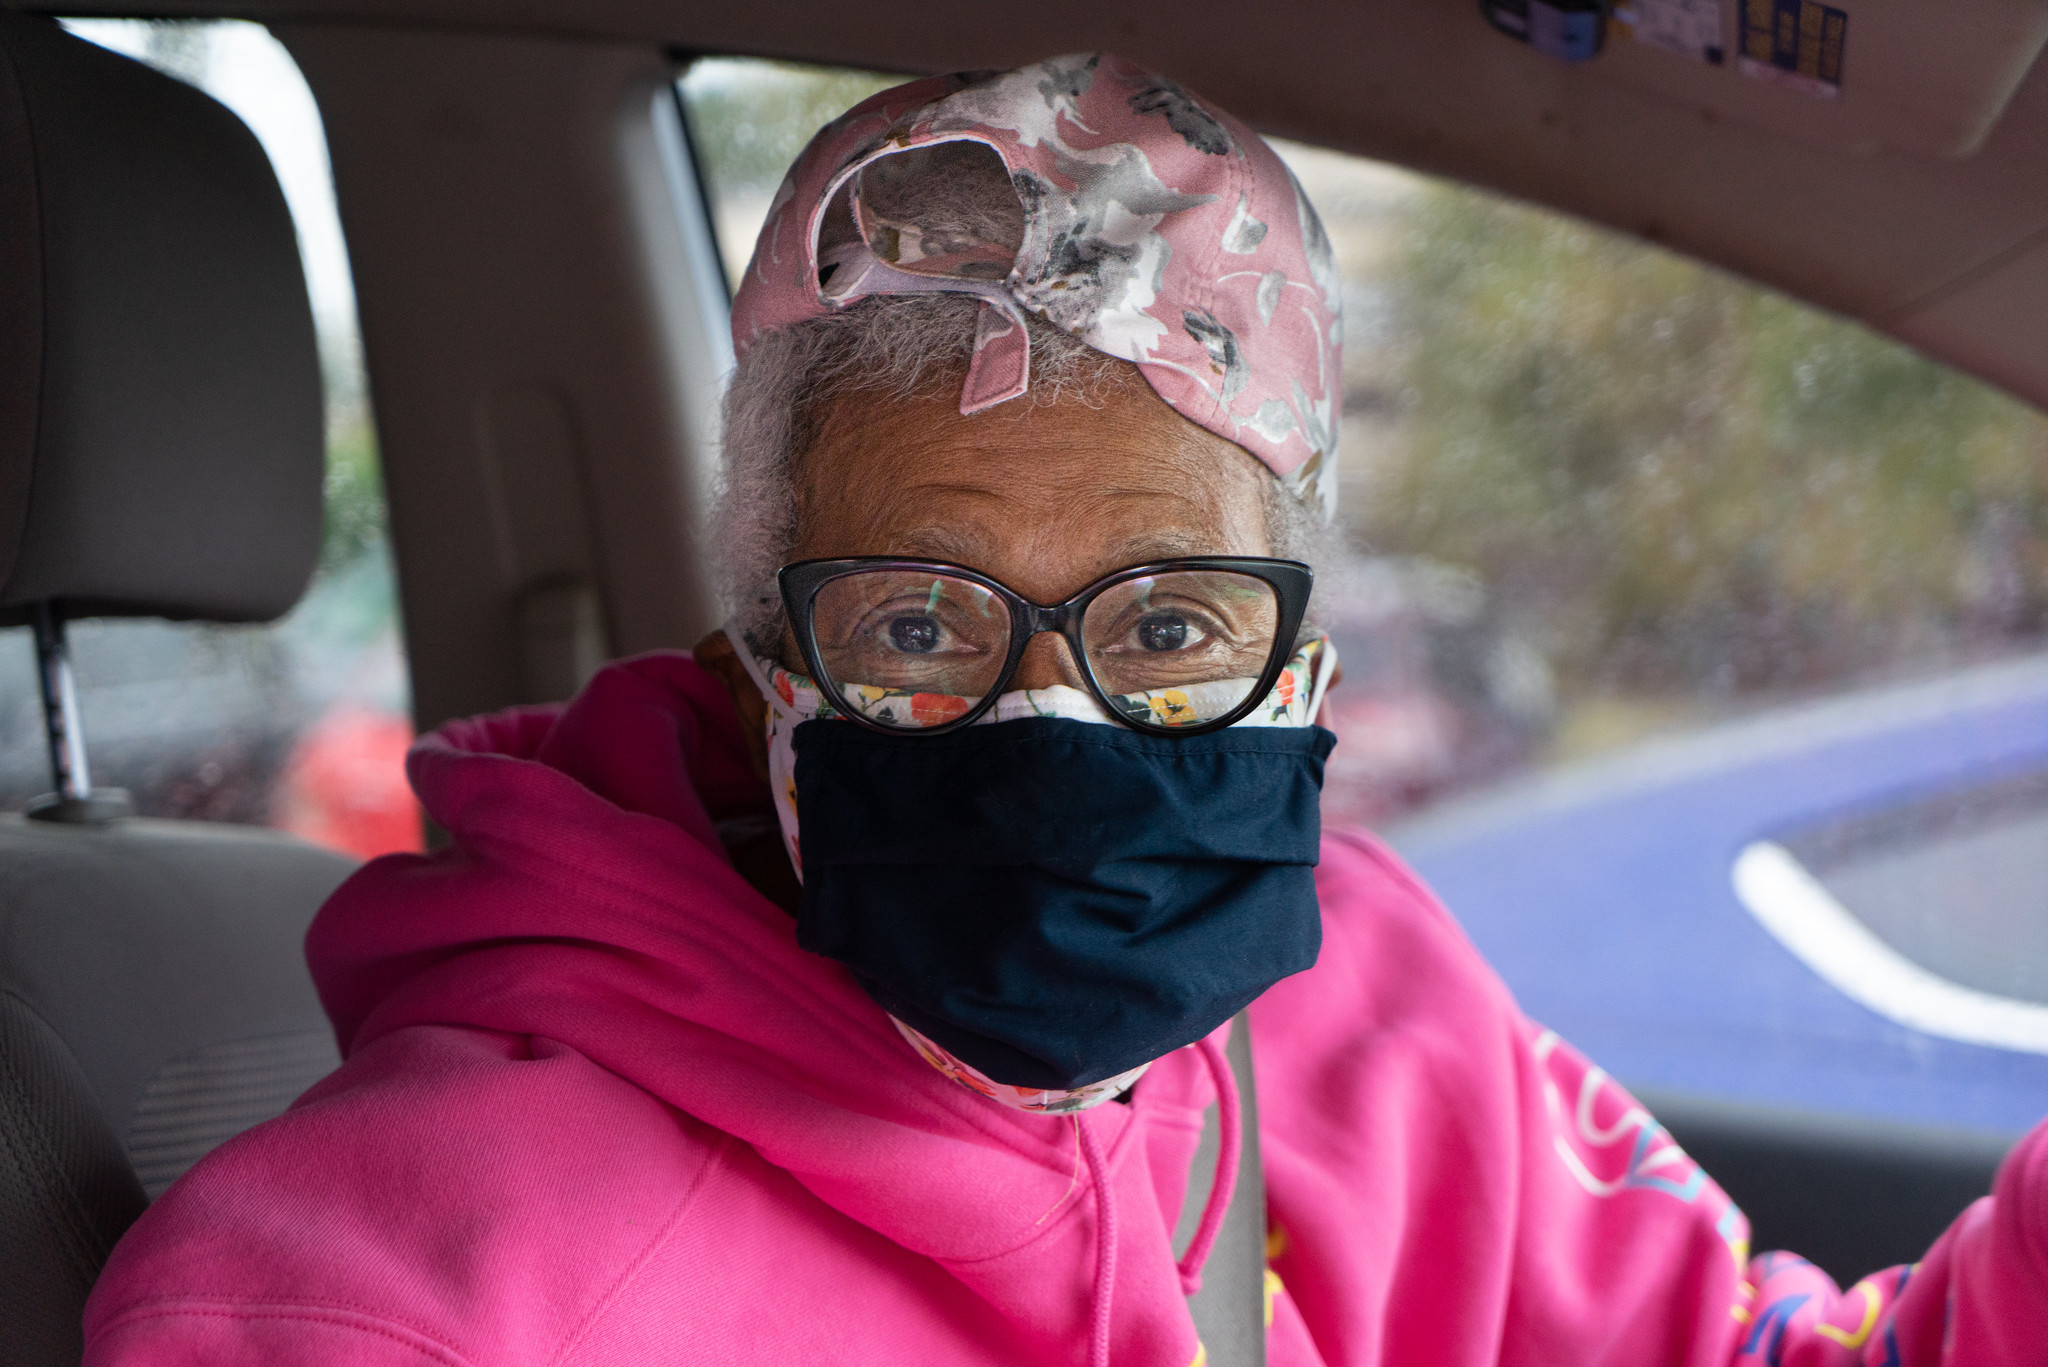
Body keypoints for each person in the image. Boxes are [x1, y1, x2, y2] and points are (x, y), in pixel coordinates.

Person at [84, 52, 2047, 1367]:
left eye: (1172, 622)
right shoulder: (394, 1290)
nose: (1059, 730)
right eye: (925, 628)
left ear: (1305, 661)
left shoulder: (1361, 1016)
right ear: (764, 667)